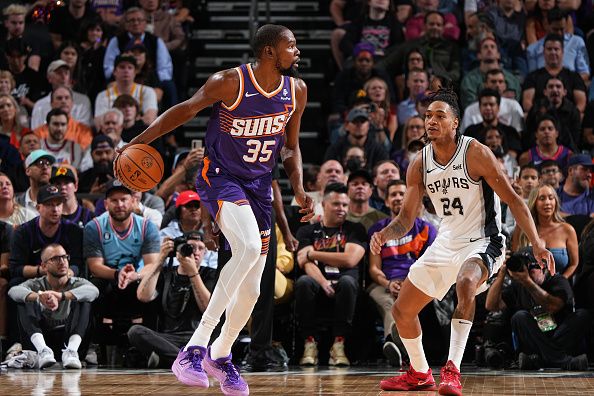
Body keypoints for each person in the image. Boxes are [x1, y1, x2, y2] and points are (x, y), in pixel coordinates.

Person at [120, 24, 313, 394]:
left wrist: (299, 187)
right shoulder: (230, 82)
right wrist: (137, 141)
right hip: (220, 176)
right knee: (246, 248)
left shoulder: (297, 91)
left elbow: (290, 147)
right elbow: (184, 110)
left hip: (259, 187)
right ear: (270, 52)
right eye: (292, 45)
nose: (298, 51)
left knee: (254, 289)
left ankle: (220, 354)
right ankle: (195, 347)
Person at [370, 89, 554, 394]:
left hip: (483, 240)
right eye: (428, 115)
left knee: (466, 282)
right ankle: (418, 372)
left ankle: (452, 370)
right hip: (447, 240)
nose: (431, 120)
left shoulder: (475, 153)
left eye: (440, 116)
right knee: (402, 311)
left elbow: (514, 198)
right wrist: (384, 234)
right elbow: (405, 218)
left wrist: (536, 241)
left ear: (456, 122)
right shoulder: (419, 163)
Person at [295, 183, 366, 367]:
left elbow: (350, 259)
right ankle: (309, 344)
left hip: (345, 286)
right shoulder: (307, 231)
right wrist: (323, 282)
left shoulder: (355, 229)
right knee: (303, 282)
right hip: (319, 284)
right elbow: (305, 263)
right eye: (336, 204)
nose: (341, 209)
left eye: (344, 205)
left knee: (348, 282)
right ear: (324, 205)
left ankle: (338, 345)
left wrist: (314, 253)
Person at [367, 179, 437, 367]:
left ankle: (393, 343)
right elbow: (374, 268)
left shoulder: (427, 229)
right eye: (393, 195)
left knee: (403, 302)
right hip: (383, 283)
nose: (398, 198)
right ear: (387, 201)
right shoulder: (377, 230)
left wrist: (409, 283)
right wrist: (388, 284)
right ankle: (398, 345)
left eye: (402, 194)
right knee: (389, 302)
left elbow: (429, 264)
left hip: (415, 282)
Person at [485, 250, 590, 370]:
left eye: (531, 269)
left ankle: (541, 360)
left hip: (559, 334)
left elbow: (552, 307)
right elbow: (491, 305)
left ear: (542, 267)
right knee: (519, 317)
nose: (527, 273)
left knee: (582, 315)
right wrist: (501, 274)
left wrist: (527, 282)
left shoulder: (558, 281)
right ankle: (563, 361)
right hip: (535, 337)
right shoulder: (518, 286)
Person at [8, 243, 99, 369]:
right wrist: (39, 296)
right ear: (44, 266)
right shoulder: (36, 283)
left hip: (69, 342)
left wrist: (61, 296)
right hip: (42, 343)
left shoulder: (78, 282)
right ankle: (43, 350)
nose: (62, 262)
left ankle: (71, 352)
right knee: (24, 299)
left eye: (64, 257)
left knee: (85, 300)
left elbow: (94, 291)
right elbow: (13, 291)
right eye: (55, 258)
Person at [127, 232, 211, 368]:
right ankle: (189, 361)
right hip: (166, 339)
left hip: (197, 338)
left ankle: (169, 359)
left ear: (205, 252)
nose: (195, 252)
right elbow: (143, 296)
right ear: (178, 250)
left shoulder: (209, 274)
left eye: (200, 248)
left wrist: (193, 273)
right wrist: (160, 259)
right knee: (135, 332)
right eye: (190, 247)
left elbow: (207, 308)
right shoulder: (166, 273)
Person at [512, 184, 579, 278]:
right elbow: (515, 260)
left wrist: (561, 281)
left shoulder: (567, 230)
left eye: (551, 198)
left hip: (558, 287)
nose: (547, 202)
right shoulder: (521, 228)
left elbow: (574, 264)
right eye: (542, 198)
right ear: (534, 202)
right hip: (526, 285)